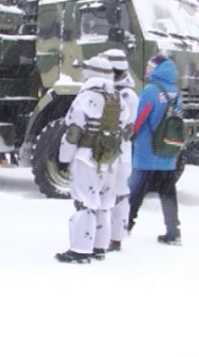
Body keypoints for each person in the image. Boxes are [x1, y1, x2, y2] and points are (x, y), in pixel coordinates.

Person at [55, 55, 123, 263]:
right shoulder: (117, 97)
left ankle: (80, 249)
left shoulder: (86, 97)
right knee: (103, 204)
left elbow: (74, 130)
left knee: (85, 202)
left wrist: (64, 157)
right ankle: (99, 247)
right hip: (110, 158)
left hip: (86, 157)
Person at [127, 55, 184, 245]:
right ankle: (173, 231)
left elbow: (141, 117)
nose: (147, 69)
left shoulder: (151, 91)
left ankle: (125, 226)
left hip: (146, 151)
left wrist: (130, 135)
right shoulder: (175, 92)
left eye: (150, 65)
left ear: (157, 69)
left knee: (135, 191)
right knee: (168, 192)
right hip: (167, 150)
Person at [99, 49, 138, 253]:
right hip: (117, 154)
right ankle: (111, 236)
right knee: (113, 196)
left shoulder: (125, 95)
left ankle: (114, 238)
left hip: (119, 155)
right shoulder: (120, 92)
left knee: (116, 197)